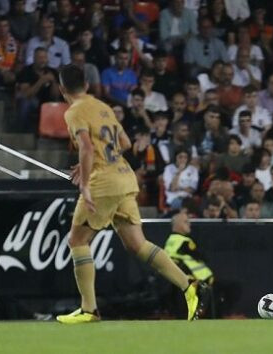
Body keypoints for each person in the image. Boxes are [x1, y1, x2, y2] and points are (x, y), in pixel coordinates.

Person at [55, 64, 206, 324]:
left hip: (103, 182)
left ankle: (89, 310)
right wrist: (88, 162)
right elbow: (124, 143)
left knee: (77, 241)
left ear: (61, 89)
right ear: (88, 86)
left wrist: (85, 184)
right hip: (125, 178)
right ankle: (187, 284)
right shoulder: (102, 107)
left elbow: (87, 148)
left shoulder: (74, 112)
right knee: (137, 244)